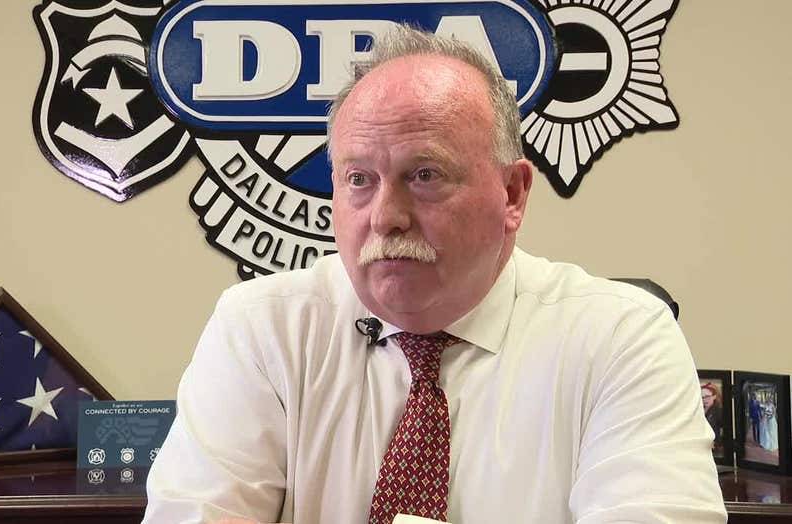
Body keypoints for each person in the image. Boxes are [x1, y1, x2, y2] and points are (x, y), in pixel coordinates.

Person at [144, 24, 726, 523]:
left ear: (512, 193)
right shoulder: (261, 329)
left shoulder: (621, 339)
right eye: (358, 180)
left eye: (424, 175)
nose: (385, 217)